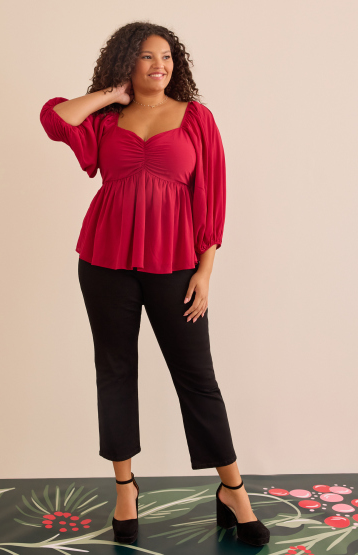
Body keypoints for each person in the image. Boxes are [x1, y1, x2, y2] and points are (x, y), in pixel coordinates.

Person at [40, 22, 270, 548]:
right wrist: (111, 94)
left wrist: (205, 272)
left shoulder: (196, 118)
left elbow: (212, 197)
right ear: (128, 62)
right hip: (104, 261)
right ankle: (125, 487)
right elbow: (54, 117)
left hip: (176, 265)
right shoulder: (105, 120)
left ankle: (233, 490)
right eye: (146, 56)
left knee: (197, 377)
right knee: (115, 371)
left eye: (166, 56)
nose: (159, 65)